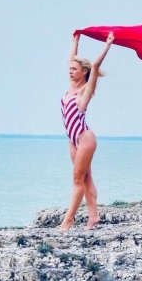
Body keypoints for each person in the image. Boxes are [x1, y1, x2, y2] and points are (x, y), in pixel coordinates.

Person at [59, 30, 114, 231]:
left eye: (74, 69)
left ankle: (68, 220)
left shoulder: (85, 90)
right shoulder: (70, 87)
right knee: (86, 178)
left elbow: (96, 66)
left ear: (83, 72)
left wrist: (107, 44)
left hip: (84, 138)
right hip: (72, 140)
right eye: (70, 69)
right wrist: (76, 39)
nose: (70, 71)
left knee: (76, 180)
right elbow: (70, 60)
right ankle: (94, 216)